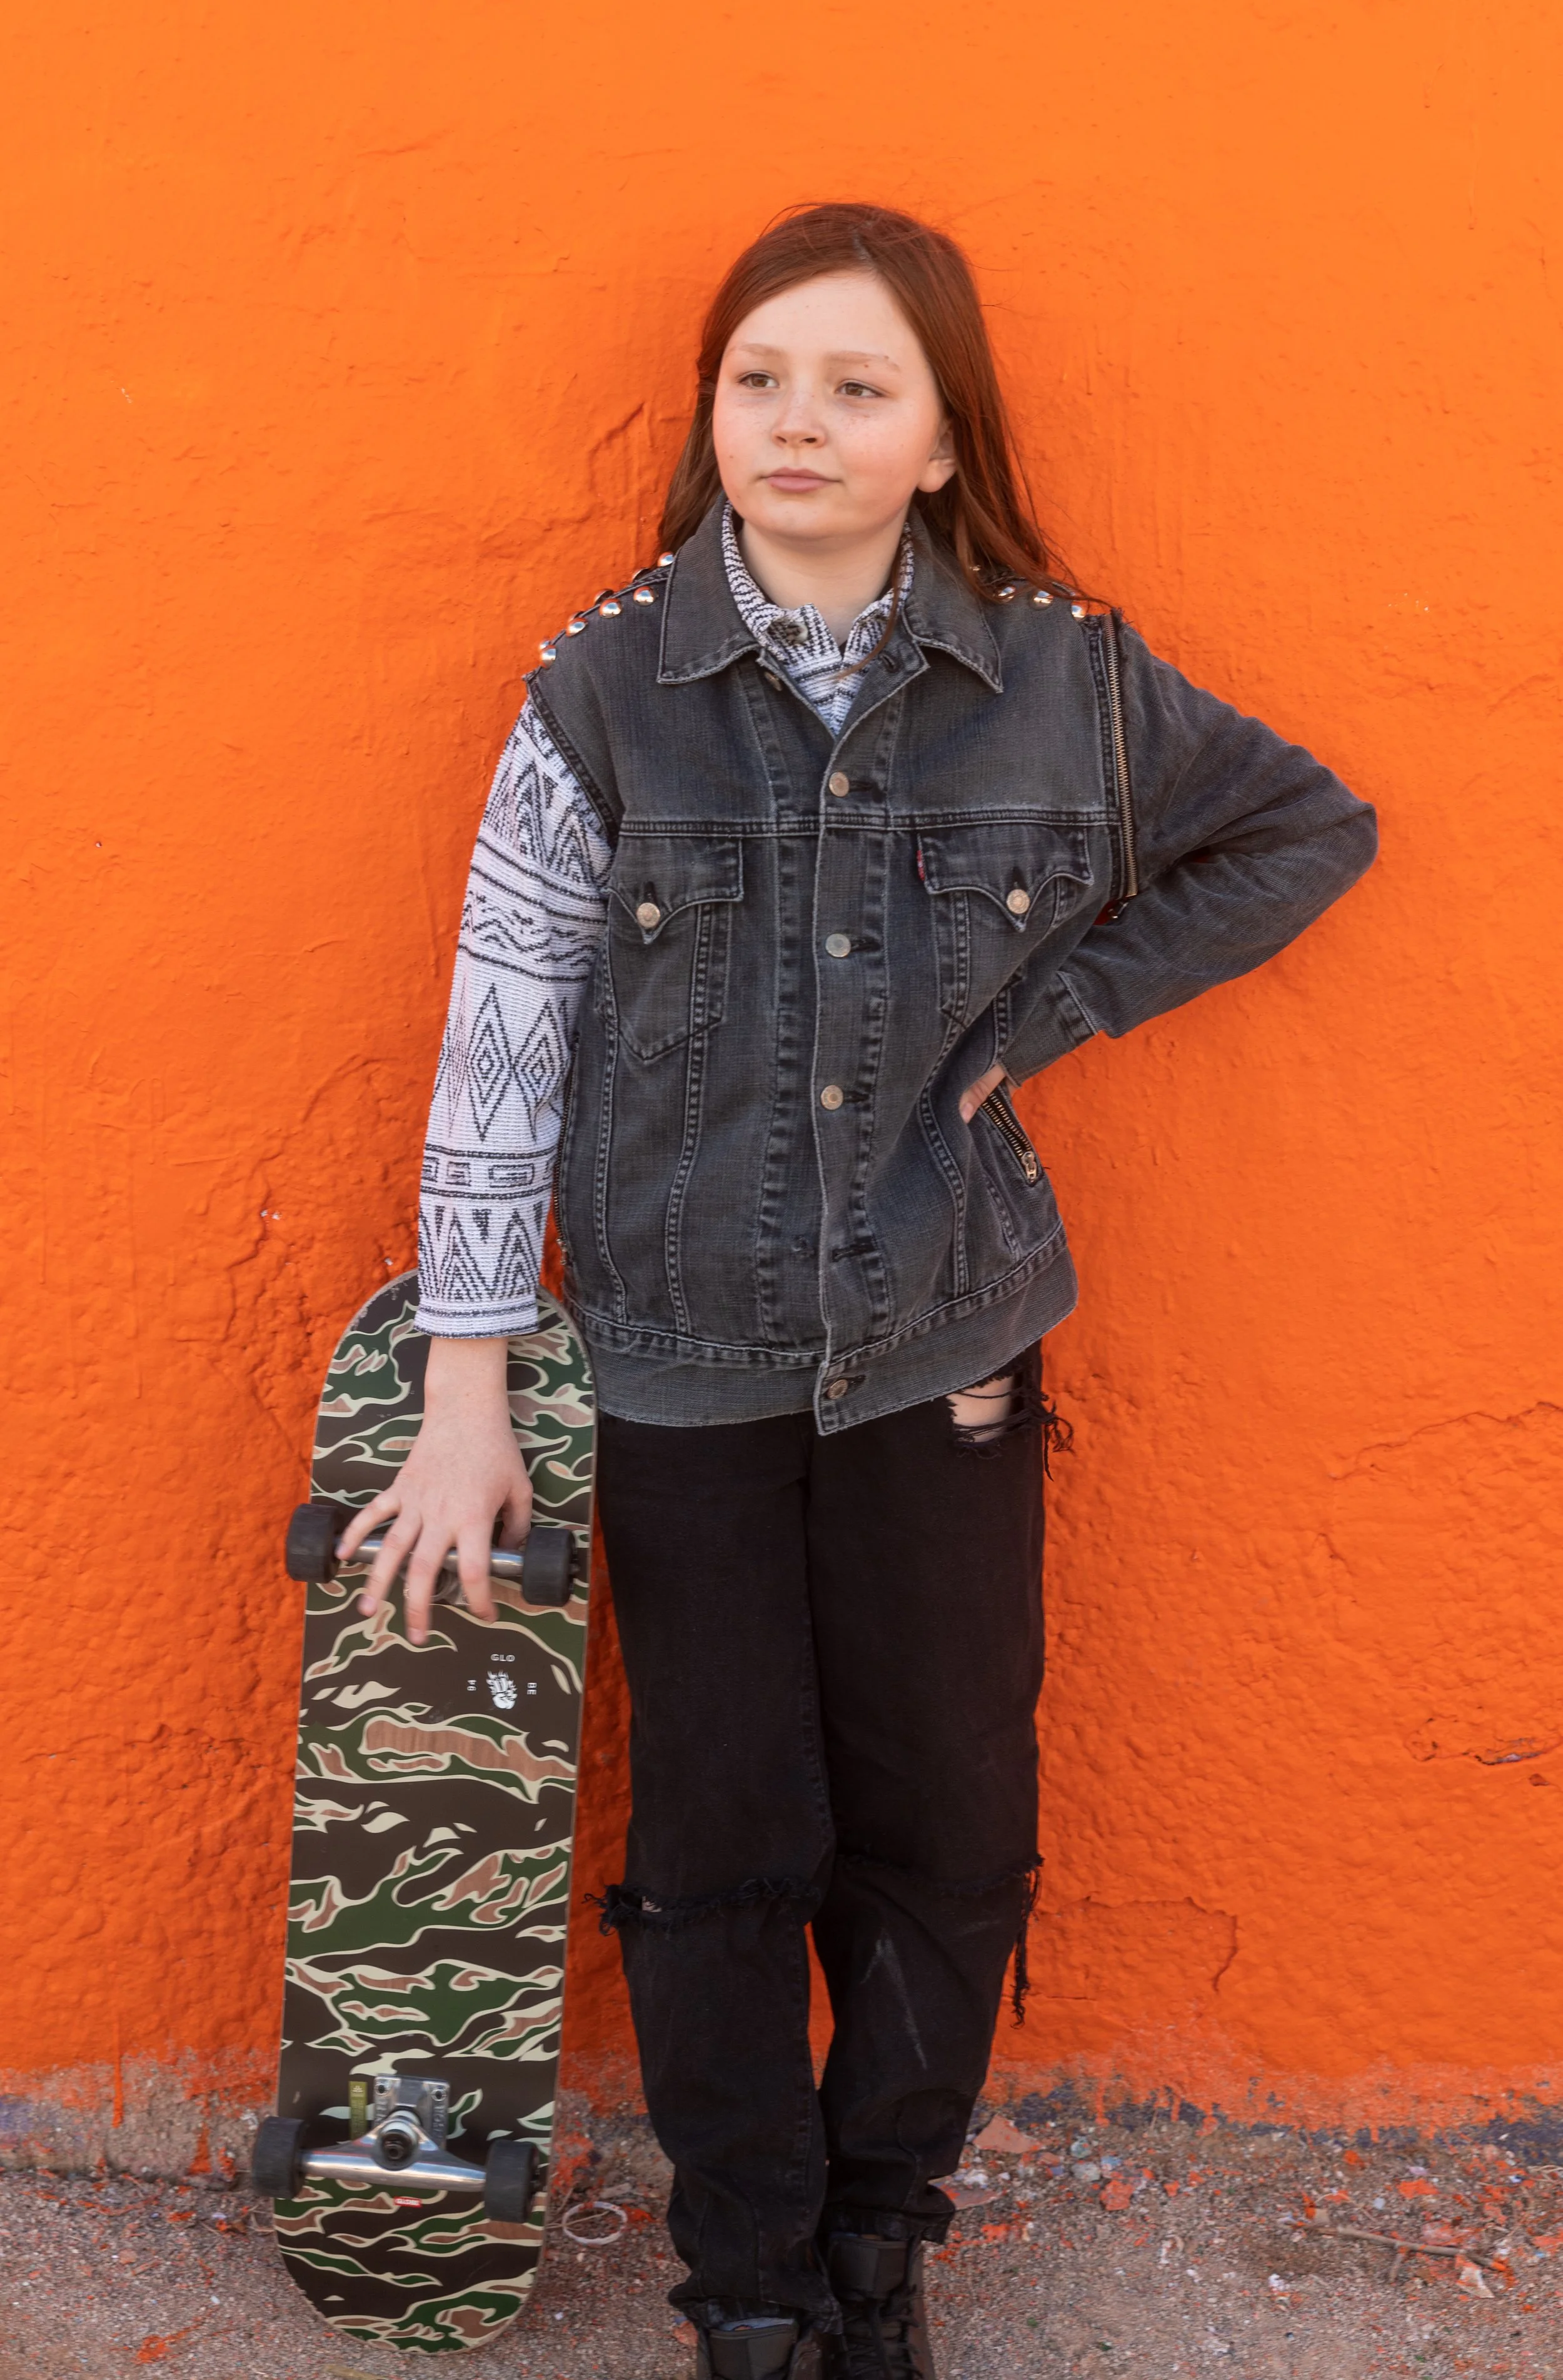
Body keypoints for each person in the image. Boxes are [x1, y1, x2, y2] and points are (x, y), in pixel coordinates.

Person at [340, 203, 1377, 2379]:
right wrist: (464, 1377)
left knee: (946, 1828)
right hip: (678, 1360)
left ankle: (879, 2246)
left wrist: (1061, 1000)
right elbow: (502, 1030)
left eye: (855, 385)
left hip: (945, 1344)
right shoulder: (603, 688)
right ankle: (749, 2287)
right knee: (723, 1840)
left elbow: (1299, 825)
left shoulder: (1067, 683)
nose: (796, 420)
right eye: (759, 379)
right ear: (712, 412)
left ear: (936, 438)